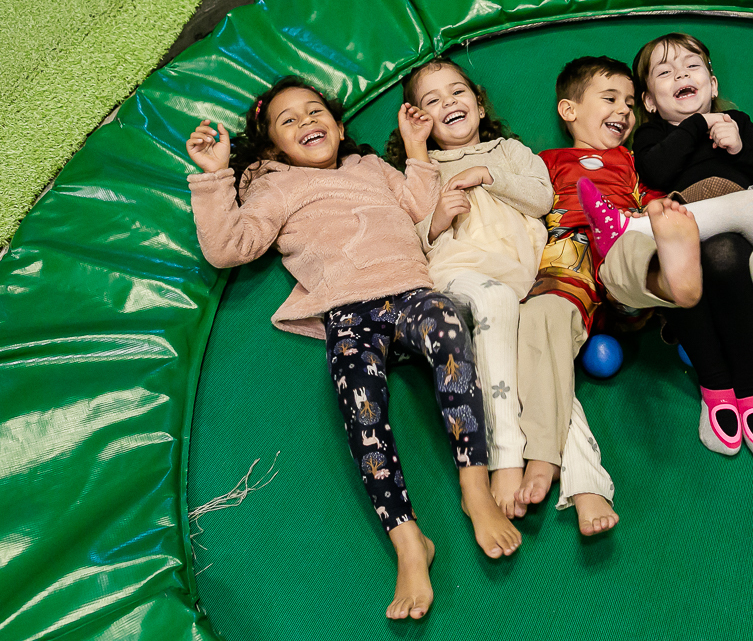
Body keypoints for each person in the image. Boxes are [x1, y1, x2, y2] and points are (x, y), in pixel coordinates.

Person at [185, 77, 520, 622]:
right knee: (362, 411)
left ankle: (473, 485)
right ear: (273, 149)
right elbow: (229, 247)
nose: (305, 123)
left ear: (340, 128)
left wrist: (414, 149)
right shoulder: (275, 188)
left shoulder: (368, 168)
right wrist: (214, 175)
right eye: (287, 122)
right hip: (349, 312)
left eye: (315, 112)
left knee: (449, 331)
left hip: (410, 293)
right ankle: (409, 541)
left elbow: (419, 208)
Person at [385, 58, 619, 536]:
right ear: (418, 119)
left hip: (522, 282)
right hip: (460, 279)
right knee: (492, 301)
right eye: (432, 101)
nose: (449, 103)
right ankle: (506, 457)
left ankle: (587, 480)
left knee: (541, 359)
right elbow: (404, 241)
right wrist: (434, 221)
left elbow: (541, 199)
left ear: (479, 100)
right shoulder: (422, 169)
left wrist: (488, 174)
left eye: (457, 92)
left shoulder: (510, 151)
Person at [515, 56, 703, 520]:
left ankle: (674, 280)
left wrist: (662, 211)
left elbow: (648, 199)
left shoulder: (629, 162)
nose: (625, 110)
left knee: (630, 255)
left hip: (620, 245)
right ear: (569, 110)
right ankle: (544, 451)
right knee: (542, 315)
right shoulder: (547, 163)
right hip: (568, 257)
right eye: (610, 99)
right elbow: (526, 206)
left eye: (629, 102)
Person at [627, 32, 753, 462]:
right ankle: (715, 387)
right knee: (680, 261)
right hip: (683, 234)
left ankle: (752, 387)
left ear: (713, 85)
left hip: (738, 242)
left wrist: (738, 142)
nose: (680, 73)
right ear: (651, 102)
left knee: (724, 253)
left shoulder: (740, 122)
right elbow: (656, 167)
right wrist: (699, 123)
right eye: (665, 72)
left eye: (691, 66)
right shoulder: (653, 136)